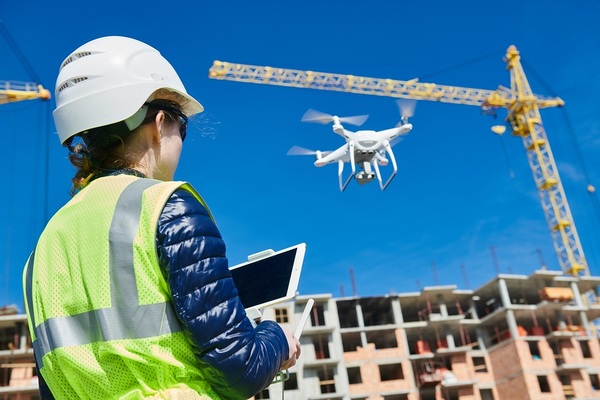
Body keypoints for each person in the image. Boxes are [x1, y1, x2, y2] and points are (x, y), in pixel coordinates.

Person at [22, 36, 301, 400]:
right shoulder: (165, 205)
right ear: (158, 123)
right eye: (181, 126)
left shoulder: (41, 252)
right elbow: (240, 369)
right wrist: (277, 338)